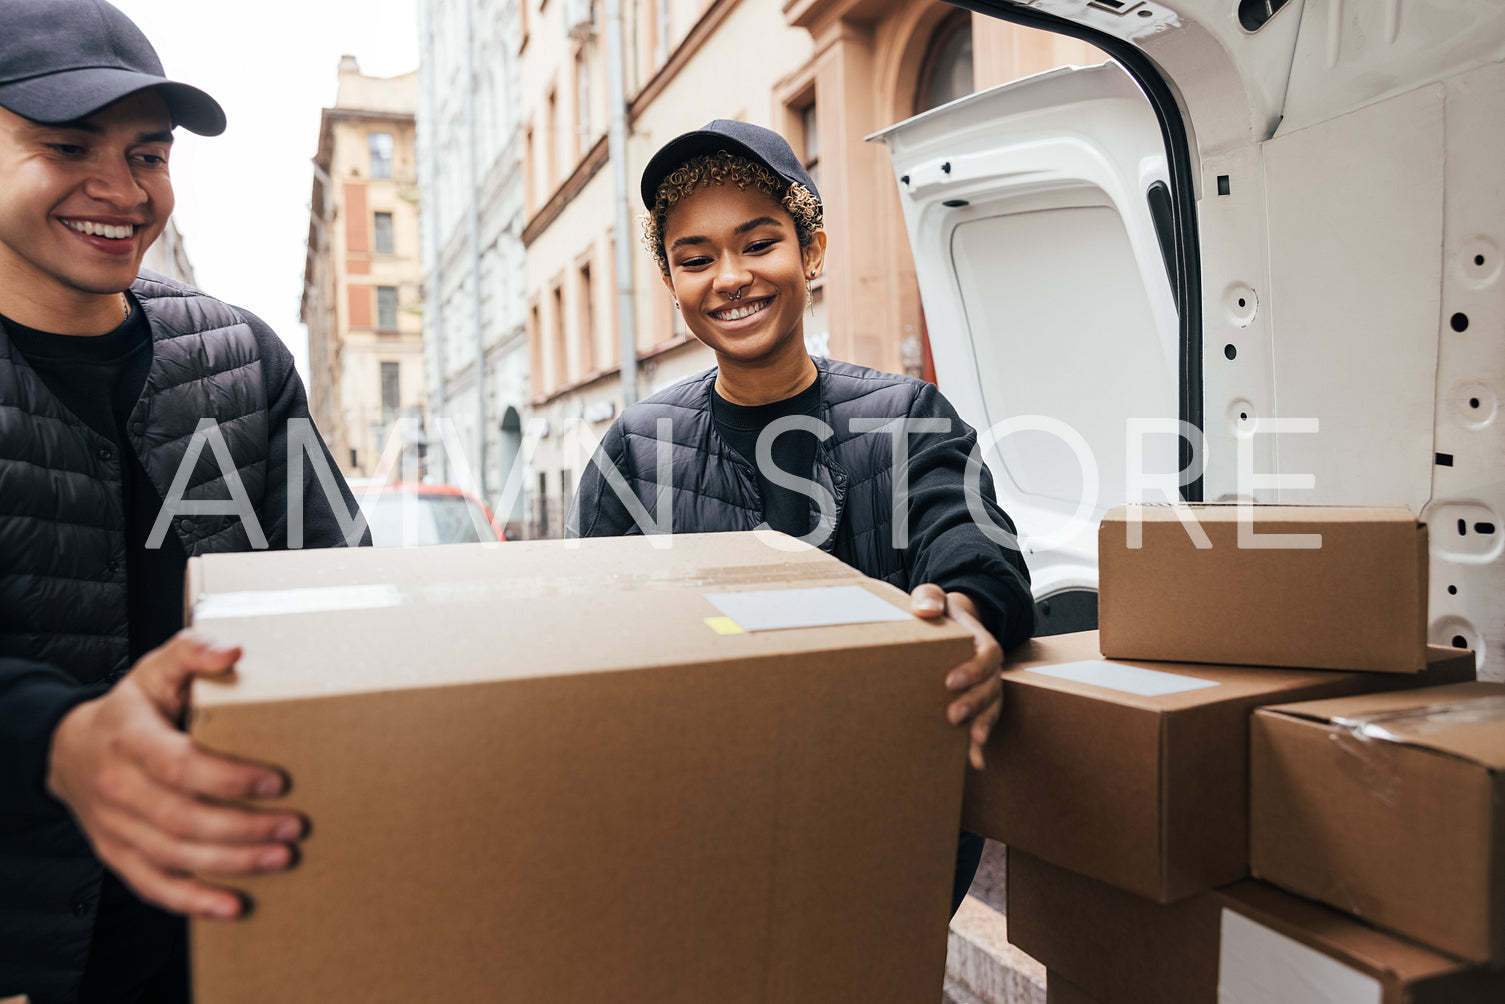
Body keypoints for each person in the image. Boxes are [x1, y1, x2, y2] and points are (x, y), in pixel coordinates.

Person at [568, 119, 1036, 914]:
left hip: (888, 815)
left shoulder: (905, 414)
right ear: (672, 282)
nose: (730, 278)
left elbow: (965, 538)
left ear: (810, 253)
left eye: (758, 244)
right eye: (695, 258)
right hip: (702, 826)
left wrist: (962, 610)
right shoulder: (636, 447)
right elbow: (588, 632)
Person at [0, 2, 363, 1001]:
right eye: (67, 145)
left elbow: (338, 594)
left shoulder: (240, 357)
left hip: (241, 923)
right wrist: (58, 742)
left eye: (149, 154)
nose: (121, 190)